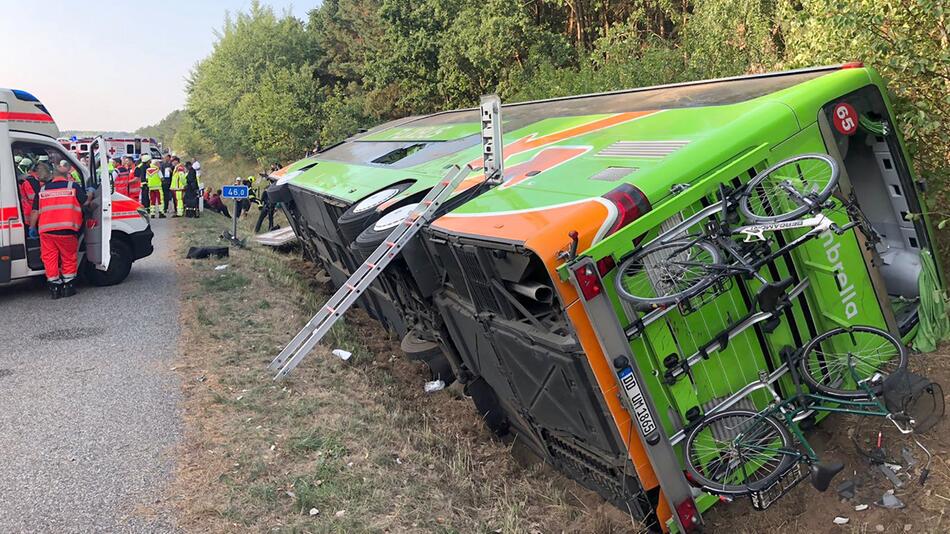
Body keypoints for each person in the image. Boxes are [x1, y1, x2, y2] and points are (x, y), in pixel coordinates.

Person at [29, 165, 87, 299]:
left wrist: (32, 227)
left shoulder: (42, 189)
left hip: (46, 231)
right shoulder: (72, 187)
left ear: (53, 176)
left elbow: (35, 211)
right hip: (67, 230)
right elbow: (84, 202)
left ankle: (54, 287)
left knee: (50, 258)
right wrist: (90, 194)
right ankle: (68, 286)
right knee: (68, 257)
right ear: (67, 175)